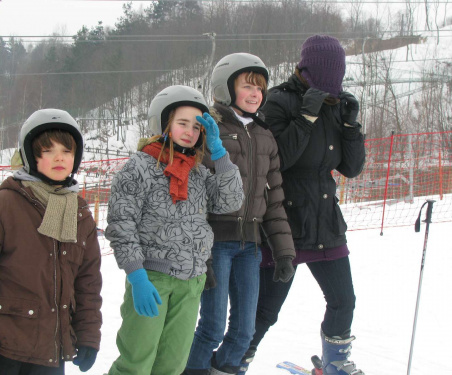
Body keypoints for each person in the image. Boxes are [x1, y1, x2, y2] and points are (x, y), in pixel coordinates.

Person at [239, 35, 366, 375]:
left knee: (343, 301)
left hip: (326, 221)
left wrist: (352, 127)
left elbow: (351, 168)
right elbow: (277, 159)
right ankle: (233, 362)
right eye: (327, 77)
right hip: (286, 224)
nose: (332, 87)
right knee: (265, 311)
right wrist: (306, 118)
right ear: (308, 70)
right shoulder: (279, 101)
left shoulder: (335, 105)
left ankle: (335, 362)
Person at [105, 85, 244, 375]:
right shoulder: (138, 167)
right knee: (136, 363)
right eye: (182, 123)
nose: (190, 131)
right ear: (164, 122)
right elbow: (122, 225)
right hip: (152, 280)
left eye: (197, 127)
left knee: (172, 365)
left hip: (191, 281)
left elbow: (231, 201)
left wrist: (219, 153)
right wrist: (137, 276)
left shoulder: (198, 171)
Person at [0, 109, 103, 375]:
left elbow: (88, 282)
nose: (59, 157)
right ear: (30, 156)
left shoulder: (80, 216)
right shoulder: (2, 207)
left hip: (51, 351)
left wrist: (89, 335)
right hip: (2, 347)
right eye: (48, 150)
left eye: (67, 151)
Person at [183, 53, 296, 375]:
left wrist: (284, 253)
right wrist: (200, 251)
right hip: (216, 243)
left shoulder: (265, 136)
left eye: (260, 88)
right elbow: (196, 195)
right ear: (226, 88)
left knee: (244, 331)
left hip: (251, 246)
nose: (255, 94)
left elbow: (274, 200)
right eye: (247, 86)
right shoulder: (210, 130)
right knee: (212, 327)